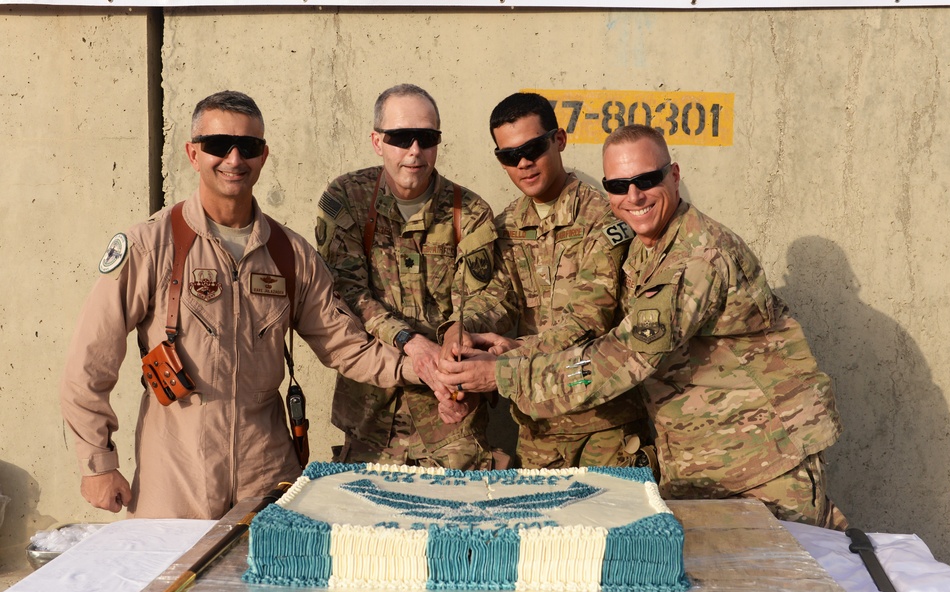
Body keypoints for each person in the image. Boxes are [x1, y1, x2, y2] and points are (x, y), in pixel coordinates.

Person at [439, 124, 847, 529]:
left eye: (646, 180)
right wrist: (513, 352)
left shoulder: (697, 259)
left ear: (674, 175)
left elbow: (623, 357)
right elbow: (596, 329)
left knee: (780, 589)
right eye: (617, 186)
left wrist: (501, 376)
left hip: (763, 468)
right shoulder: (641, 246)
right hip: (697, 465)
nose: (632, 196)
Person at [60, 90, 418, 520]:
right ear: (193, 154)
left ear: (263, 156)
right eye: (217, 146)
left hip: (266, 474)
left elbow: (346, 346)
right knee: (172, 586)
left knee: (274, 585)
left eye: (247, 147)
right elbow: (89, 363)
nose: (233, 158)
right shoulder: (150, 245)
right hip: (174, 476)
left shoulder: (291, 254)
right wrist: (97, 463)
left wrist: (421, 367)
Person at [315, 84, 515, 469]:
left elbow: (487, 299)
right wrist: (409, 342)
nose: (414, 150)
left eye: (426, 138)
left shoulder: (469, 212)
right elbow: (344, 292)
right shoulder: (348, 199)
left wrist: (456, 348)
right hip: (370, 418)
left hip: (450, 421)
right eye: (400, 137)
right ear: (377, 141)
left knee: (458, 526)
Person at [465, 92, 648, 469]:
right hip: (539, 427)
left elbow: (587, 322)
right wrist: (465, 336)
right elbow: (497, 300)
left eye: (533, 147)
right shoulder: (506, 226)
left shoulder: (606, 220)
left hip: (605, 428)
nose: (524, 163)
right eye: (509, 156)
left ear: (559, 140)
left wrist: (502, 358)